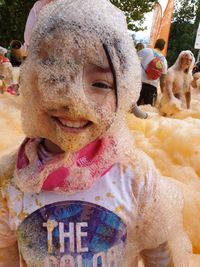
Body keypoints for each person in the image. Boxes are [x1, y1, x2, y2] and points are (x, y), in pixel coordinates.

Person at [0, 1, 191, 266]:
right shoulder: (8, 182)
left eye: (100, 83)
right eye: (55, 78)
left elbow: (160, 258)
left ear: (122, 93)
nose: (75, 101)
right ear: (31, 83)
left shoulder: (136, 176)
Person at [137, 38, 168, 106]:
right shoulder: (164, 60)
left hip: (138, 84)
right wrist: (163, 94)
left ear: (155, 44)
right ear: (163, 47)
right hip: (151, 88)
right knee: (148, 112)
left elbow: (133, 61)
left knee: (132, 110)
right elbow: (162, 82)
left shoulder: (145, 51)